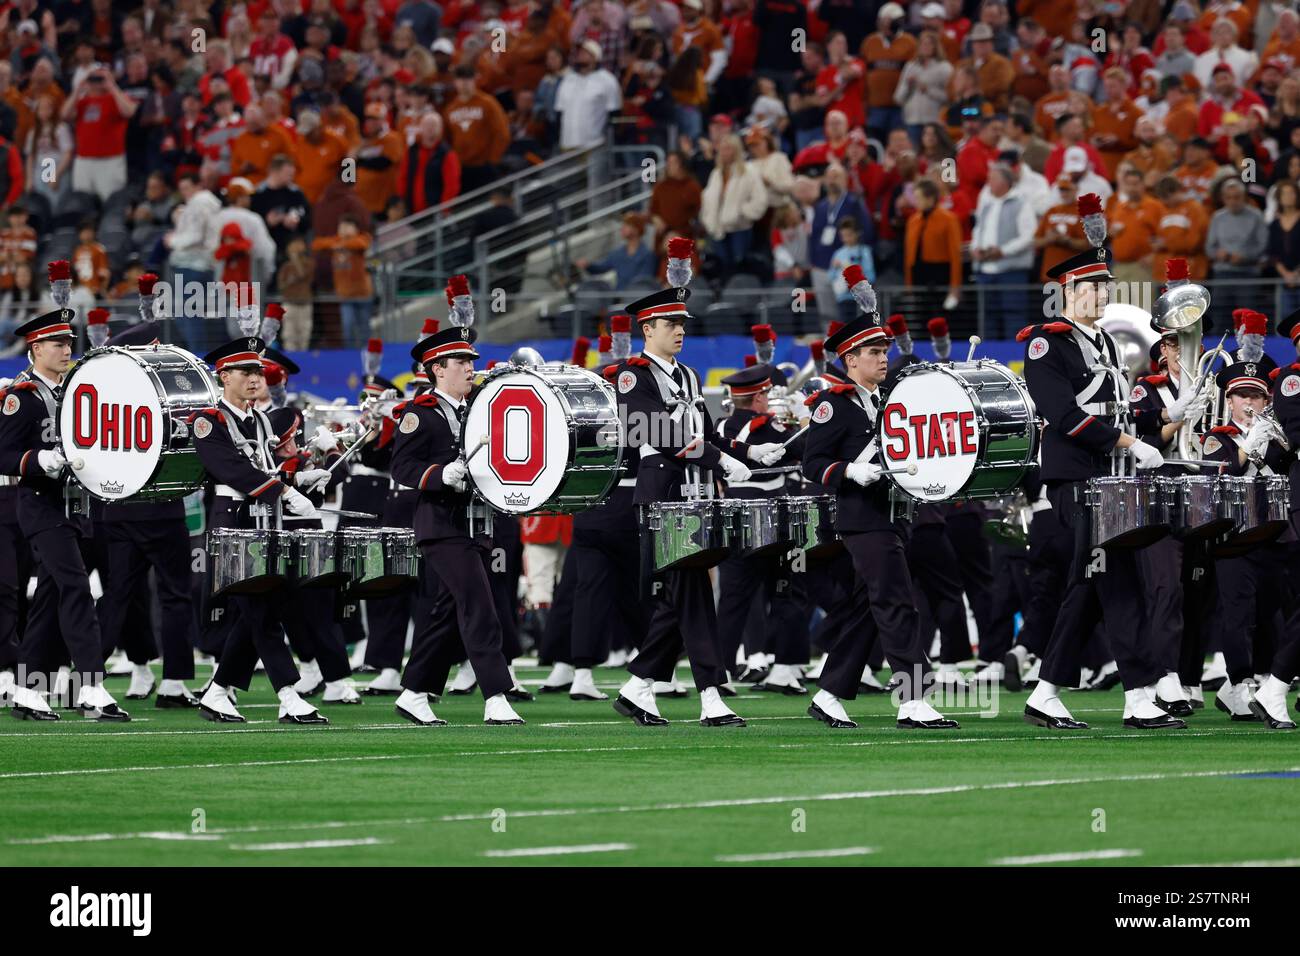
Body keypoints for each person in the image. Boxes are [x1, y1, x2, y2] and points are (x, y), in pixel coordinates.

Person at [1019, 196, 1185, 732]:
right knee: (1117, 579)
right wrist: (1128, 445)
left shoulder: (1109, 344)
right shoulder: (1049, 345)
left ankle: (1046, 693)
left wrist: (1165, 414)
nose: (1103, 294)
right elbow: (1063, 416)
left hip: (1110, 482)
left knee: (1091, 585)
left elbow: (1121, 407)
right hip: (1077, 481)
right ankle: (1139, 695)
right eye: (1094, 287)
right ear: (1068, 292)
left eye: (1107, 287)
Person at [610, 239, 767, 728]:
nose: (680, 331)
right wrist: (722, 461)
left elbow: (704, 430)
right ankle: (712, 695)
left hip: (695, 492)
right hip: (661, 493)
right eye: (671, 324)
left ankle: (637, 687)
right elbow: (654, 431)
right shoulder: (631, 377)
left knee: (680, 597)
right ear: (647, 328)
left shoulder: (690, 375)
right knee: (694, 593)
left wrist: (746, 450)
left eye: (682, 324)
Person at [801, 267, 957, 730]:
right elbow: (813, 464)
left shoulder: (888, 400)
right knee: (896, 602)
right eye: (872, 352)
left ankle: (829, 694)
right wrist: (850, 470)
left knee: (866, 609)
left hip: (894, 515)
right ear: (849, 359)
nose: (882, 358)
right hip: (862, 519)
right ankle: (913, 699)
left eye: (884, 349)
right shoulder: (836, 404)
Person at [388, 315, 525, 726]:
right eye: (460, 362)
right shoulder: (419, 412)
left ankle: (414, 692)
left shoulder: (479, 409)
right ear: (436, 369)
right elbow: (402, 467)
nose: (470, 367)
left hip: (476, 524)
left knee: (448, 615)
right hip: (442, 525)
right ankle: (497, 694)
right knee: (480, 606)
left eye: (470, 360)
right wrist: (440, 475)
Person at [0, 305, 129, 721]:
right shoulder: (21, 398)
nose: (66, 349)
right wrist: (38, 459)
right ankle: (91, 686)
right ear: (35, 348)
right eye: (57, 344)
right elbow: (2, 454)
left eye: (69, 343)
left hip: (76, 507)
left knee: (51, 597)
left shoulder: (73, 392)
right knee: (77, 588)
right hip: (41, 505)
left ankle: (25, 688)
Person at [191, 335, 325, 725]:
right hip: (232, 521)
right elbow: (231, 469)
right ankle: (288, 694)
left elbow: (269, 469)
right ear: (224, 376)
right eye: (245, 372)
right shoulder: (207, 421)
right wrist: (284, 490)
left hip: (266, 521)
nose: (255, 378)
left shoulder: (262, 419)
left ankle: (218, 691)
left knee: (263, 609)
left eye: (257, 371)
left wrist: (300, 478)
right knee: (261, 610)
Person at [95, 319, 202, 708]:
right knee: (175, 595)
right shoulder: (160, 397)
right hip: (161, 509)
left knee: (117, 596)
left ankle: (89, 679)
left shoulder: (100, 395)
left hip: (117, 511)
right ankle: (173, 683)